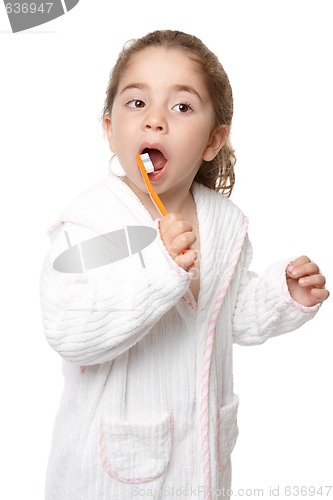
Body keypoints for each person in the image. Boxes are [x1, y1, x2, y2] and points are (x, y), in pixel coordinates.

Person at [40, 30, 329, 500]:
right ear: (109, 128)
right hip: (106, 477)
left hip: (199, 469)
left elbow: (226, 313)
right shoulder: (93, 224)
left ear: (213, 141)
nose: (155, 120)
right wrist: (159, 270)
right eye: (137, 103)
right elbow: (69, 329)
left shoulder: (223, 223)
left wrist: (281, 296)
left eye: (181, 107)